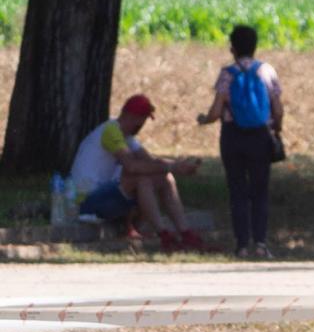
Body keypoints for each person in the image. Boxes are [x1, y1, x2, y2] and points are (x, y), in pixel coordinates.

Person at [69, 95, 205, 252]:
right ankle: (163, 234)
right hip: (87, 202)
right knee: (141, 178)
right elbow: (132, 166)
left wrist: (177, 165)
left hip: (105, 196)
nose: (142, 125)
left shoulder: (126, 136)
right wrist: (172, 167)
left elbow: (151, 162)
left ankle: (185, 232)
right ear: (134, 117)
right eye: (143, 120)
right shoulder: (110, 131)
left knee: (164, 177)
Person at [196, 24, 284, 259]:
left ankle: (242, 245)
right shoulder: (266, 71)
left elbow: (217, 110)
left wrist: (205, 120)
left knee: (237, 190)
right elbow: (278, 107)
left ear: (232, 48)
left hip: (233, 135)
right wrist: (277, 129)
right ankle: (261, 243)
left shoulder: (227, 74)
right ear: (255, 47)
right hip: (260, 137)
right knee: (260, 191)